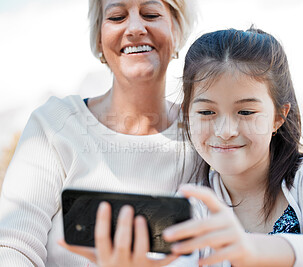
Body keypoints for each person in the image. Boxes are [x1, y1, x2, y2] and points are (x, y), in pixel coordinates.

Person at [0, 0, 200, 266]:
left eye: (151, 14)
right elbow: (12, 247)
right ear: (98, 38)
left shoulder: (205, 135)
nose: (135, 28)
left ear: (177, 29)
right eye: (117, 17)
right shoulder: (54, 125)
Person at [161, 27, 303, 266]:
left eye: (246, 112)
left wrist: (249, 247)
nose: (225, 131)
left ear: (278, 116)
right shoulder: (193, 204)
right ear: (187, 116)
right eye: (206, 112)